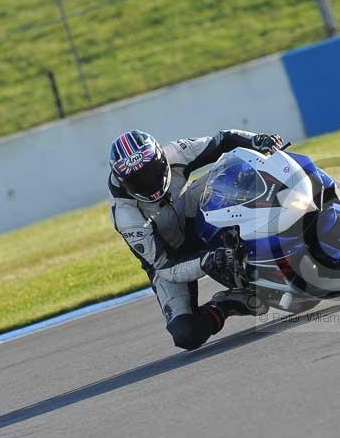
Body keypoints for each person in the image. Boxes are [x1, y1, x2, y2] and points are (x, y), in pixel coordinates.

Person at [108, 129, 283, 350]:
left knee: (233, 171)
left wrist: (256, 139)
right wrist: (206, 260)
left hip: (192, 210)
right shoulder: (126, 215)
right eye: (137, 180)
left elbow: (223, 140)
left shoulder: (175, 153)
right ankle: (225, 305)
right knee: (187, 334)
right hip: (170, 258)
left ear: (160, 158)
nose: (148, 182)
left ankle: (280, 217)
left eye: (151, 171)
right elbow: (164, 266)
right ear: (124, 182)